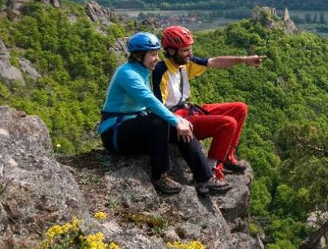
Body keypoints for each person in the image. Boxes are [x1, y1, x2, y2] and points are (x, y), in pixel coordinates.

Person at [99, 31, 230, 195]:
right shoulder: (128, 74)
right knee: (161, 121)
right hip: (115, 133)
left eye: (157, 54)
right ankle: (160, 176)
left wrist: (177, 121)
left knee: (176, 125)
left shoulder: (142, 71)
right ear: (139, 55)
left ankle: (204, 178)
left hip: (133, 129)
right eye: (153, 54)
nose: (157, 58)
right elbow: (150, 101)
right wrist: (176, 121)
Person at [152, 25, 264, 180]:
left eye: (190, 49)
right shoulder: (160, 70)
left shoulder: (184, 63)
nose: (190, 53)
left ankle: (226, 156)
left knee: (240, 108)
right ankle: (211, 168)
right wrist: (178, 122)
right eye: (185, 50)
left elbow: (214, 62)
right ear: (171, 51)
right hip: (177, 119)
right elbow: (158, 106)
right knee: (228, 123)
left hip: (188, 109)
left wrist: (244, 60)